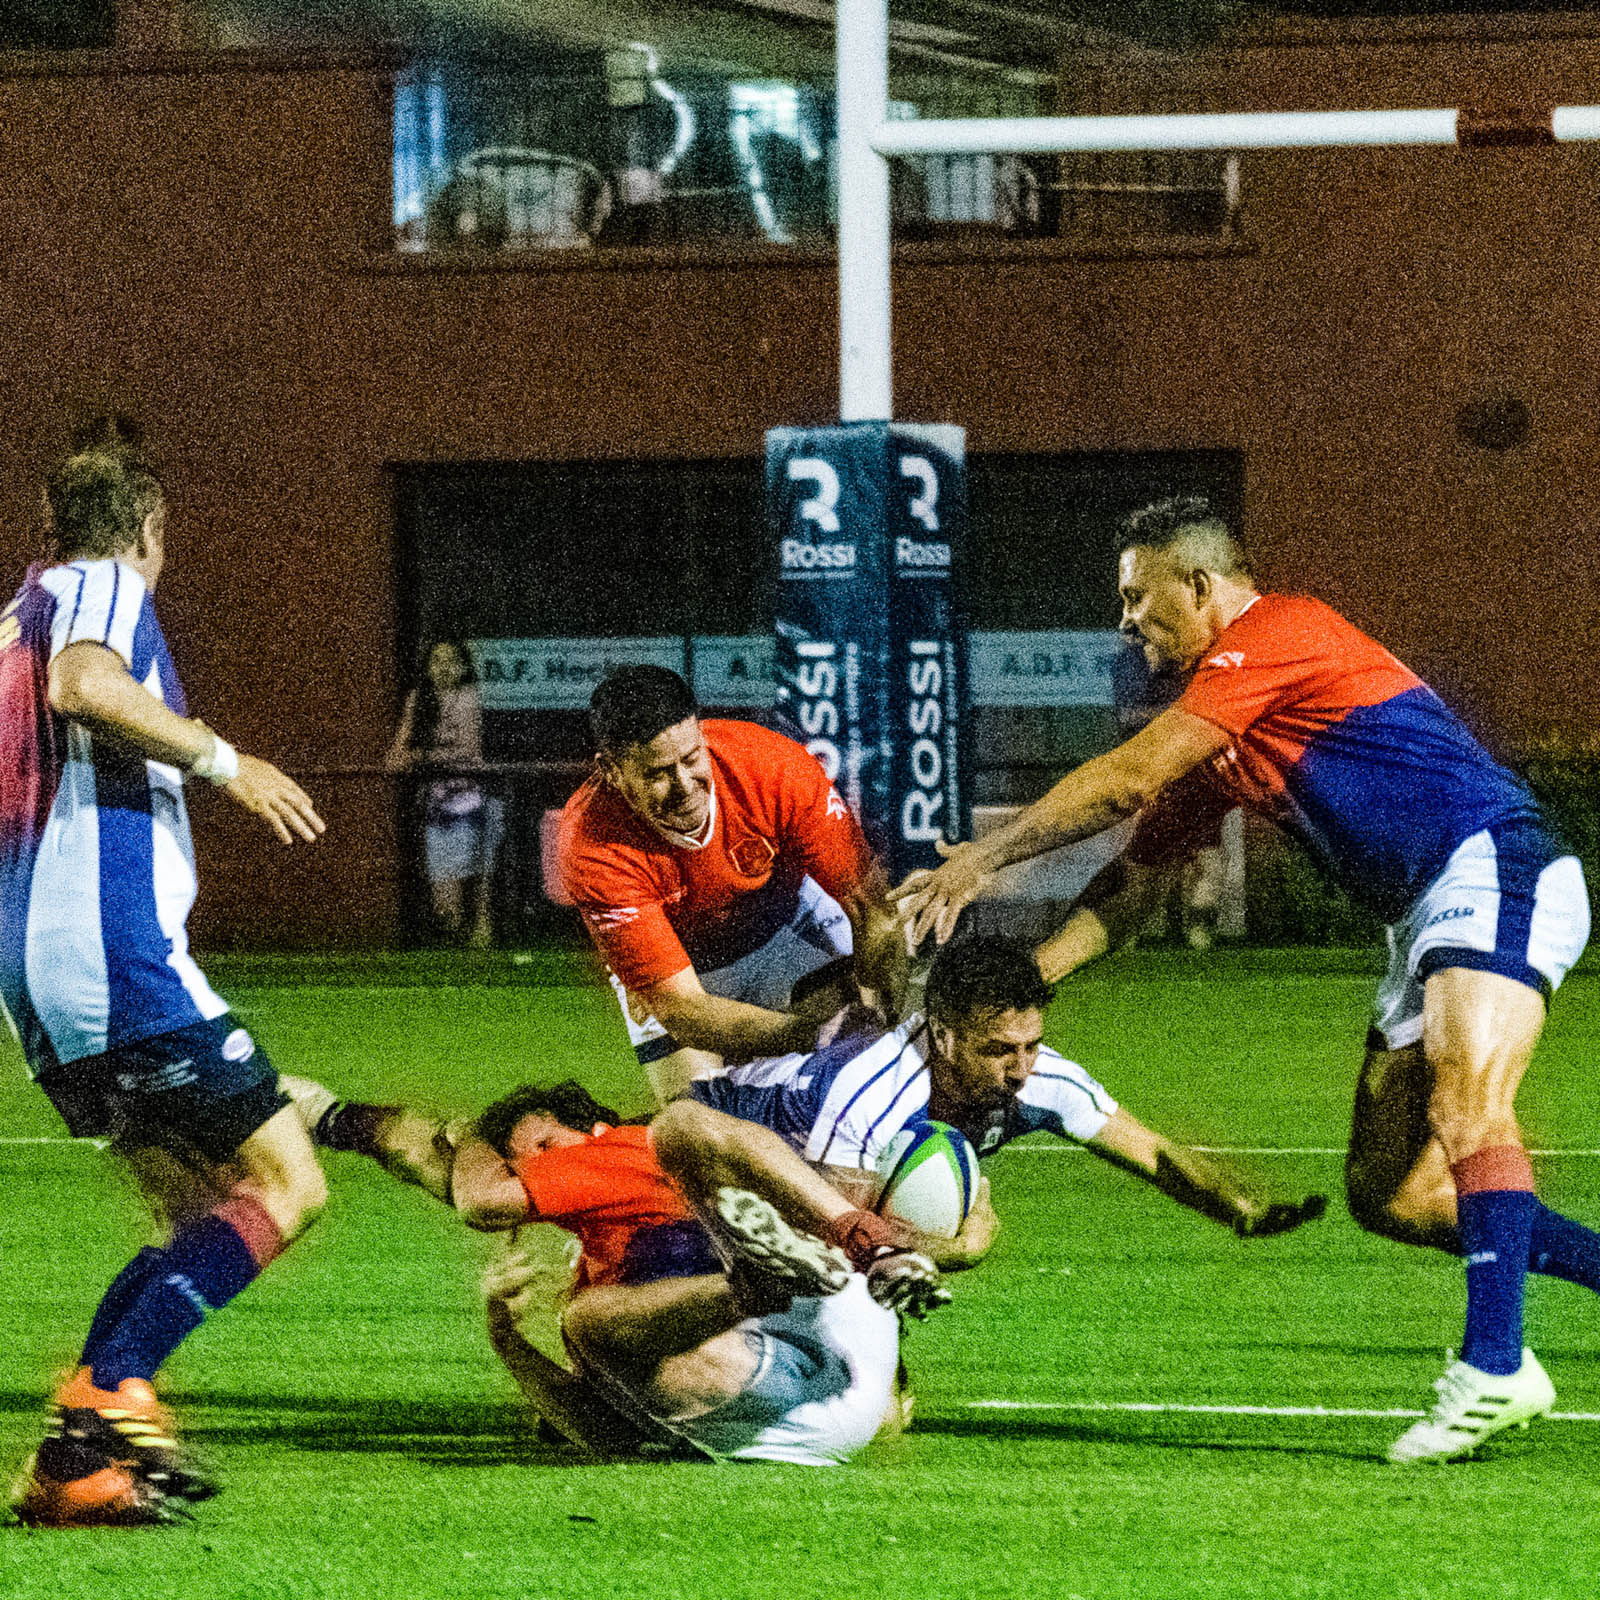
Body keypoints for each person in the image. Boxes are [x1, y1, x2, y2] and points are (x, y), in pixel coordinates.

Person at [893, 493, 1596, 1463]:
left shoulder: (1280, 630)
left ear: (1199, 584)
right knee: (1392, 1196)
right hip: (1423, 915)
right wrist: (1022, 987)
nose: (1125, 618)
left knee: (1469, 1111)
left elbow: (1131, 775)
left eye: (1138, 597)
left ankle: (1494, 1367)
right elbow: (1134, 884)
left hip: (1491, 865)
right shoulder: (1226, 732)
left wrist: (986, 855)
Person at [1, 442, 328, 1526]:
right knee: (287, 1182)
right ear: (143, 531)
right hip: (113, 955)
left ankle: (73, 1469)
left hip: (39, 978)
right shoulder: (100, 586)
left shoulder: (8, 622)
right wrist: (230, 766)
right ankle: (103, 1396)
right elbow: (86, 685)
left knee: (194, 1213)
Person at [288, 1077, 946, 1464]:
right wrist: (506, 1337)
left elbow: (476, 1196)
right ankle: (846, 1250)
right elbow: (606, 1437)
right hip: (832, 1380)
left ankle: (758, 1283)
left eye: (546, 1149)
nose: (541, 1170)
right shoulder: (603, 1257)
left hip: (787, 1388)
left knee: (590, 1318)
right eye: (526, 1162)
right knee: (598, 1318)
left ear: (590, 1127)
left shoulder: (614, 1153)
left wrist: (466, 1143)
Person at [689, 935, 1325, 1266]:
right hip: (702, 1157)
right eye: (999, 1050)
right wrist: (957, 1249)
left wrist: (1235, 1207)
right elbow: (829, 1237)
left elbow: (1151, 1152)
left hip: (780, 1199)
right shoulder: (873, 1090)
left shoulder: (1037, 1075)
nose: (1021, 1070)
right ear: (941, 1033)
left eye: (1032, 1044)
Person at [556, 665, 901, 1103]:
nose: (684, 786)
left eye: (691, 758)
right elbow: (685, 1011)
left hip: (782, 925)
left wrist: (883, 1024)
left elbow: (874, 912)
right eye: (657, 773)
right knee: (696, 1127)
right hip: (682, 975)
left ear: (701, 734)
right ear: (610, 770)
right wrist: (812, 1036)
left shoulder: (773, 766)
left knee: (865, 1086)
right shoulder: (590, 845)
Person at [387, 639, 503, 948]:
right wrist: (418, 756)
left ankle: (482, 930)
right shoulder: (419, 699)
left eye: (451, 661)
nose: (444, 668)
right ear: (427, 667)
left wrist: (422, 757)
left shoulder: (470, 697)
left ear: (464, 667)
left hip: (474, 797)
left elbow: (467, 750)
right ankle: (452, 938)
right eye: (436, 661)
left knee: (479, 873)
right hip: (437, 807)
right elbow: (395, 758)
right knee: (445, 901)